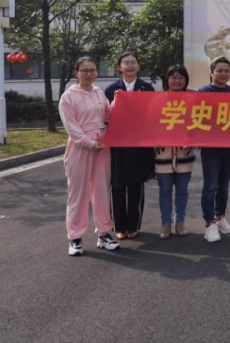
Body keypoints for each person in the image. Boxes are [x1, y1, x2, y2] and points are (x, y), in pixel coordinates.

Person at [59, 56, 120, 256]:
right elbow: (71, 127)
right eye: (84, 70)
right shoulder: (68, 97)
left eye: (92, 70)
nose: (89, 73)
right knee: (78, 193)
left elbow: (108, 115)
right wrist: (88, 143)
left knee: (101, 190)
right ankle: (75, 237)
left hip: (101, 146)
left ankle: (104, 233)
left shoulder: (98, 93)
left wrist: (118, 101)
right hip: (80, 147)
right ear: (76, 73)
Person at [104, 51, 155, 240]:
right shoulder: (111, 89)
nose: (130, 65)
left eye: (134, 62)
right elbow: (105, 116)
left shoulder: (147, 88)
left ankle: (133, 226)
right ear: (119, 67)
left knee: (136, 186)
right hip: (118, 146)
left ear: (139, 66)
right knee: (117, 186)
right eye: (126, 62)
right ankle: (119, 225)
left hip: (139, 145)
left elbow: (152, 115)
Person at [198, 56, 230, 243]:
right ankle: (209, 224)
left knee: (224, 185)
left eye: (226, 71)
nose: (223, 74)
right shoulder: (203, 92)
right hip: (211, 148)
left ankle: (220, 217)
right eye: (219, 70)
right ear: (212, 72)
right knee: (211, 185)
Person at [154, 65, 196, 239]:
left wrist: (190, 138)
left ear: (186, 80)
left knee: (182, 190)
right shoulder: (157, 100)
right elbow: (150, 124)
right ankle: (165, 223)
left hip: (185, 155)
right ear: (167, 80)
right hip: (163, 154)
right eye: (173, 77)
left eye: (180, 77)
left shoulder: (193, 100)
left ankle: (180, 222)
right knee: (164, 191)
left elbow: (200, 124)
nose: (177, 81)